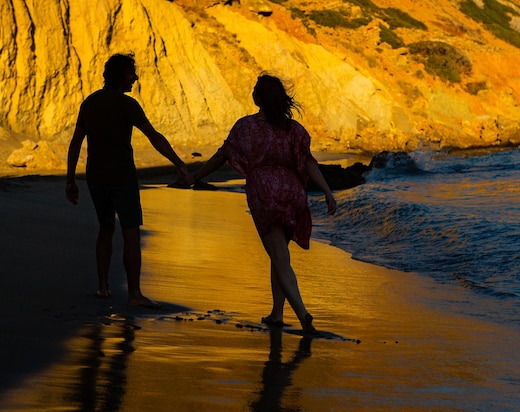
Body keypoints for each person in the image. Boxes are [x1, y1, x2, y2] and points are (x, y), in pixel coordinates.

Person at [190, 74, 336, 334]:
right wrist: (327, 192)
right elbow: (309, 163)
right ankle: (277, 313)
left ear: (257, 98)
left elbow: (222, 156)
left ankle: (303, 314)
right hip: (293, 193)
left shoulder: (247, 127)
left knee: (279, 255)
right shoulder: (295, 130)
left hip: (265, 193)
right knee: (280, 253)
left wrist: (195, 176)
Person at [66, 53, 188, 308]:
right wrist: (179, 164)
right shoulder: (127, 105)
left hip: (95, 176)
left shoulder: (90, 102)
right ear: (123, 76)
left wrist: (70, 180)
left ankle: (102, 288)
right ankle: (134, 295)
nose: (135, 78)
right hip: (122, 176)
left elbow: (76, 142)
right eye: (132, 73)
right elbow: (154, 137)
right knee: (131, 232)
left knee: (105, 227)